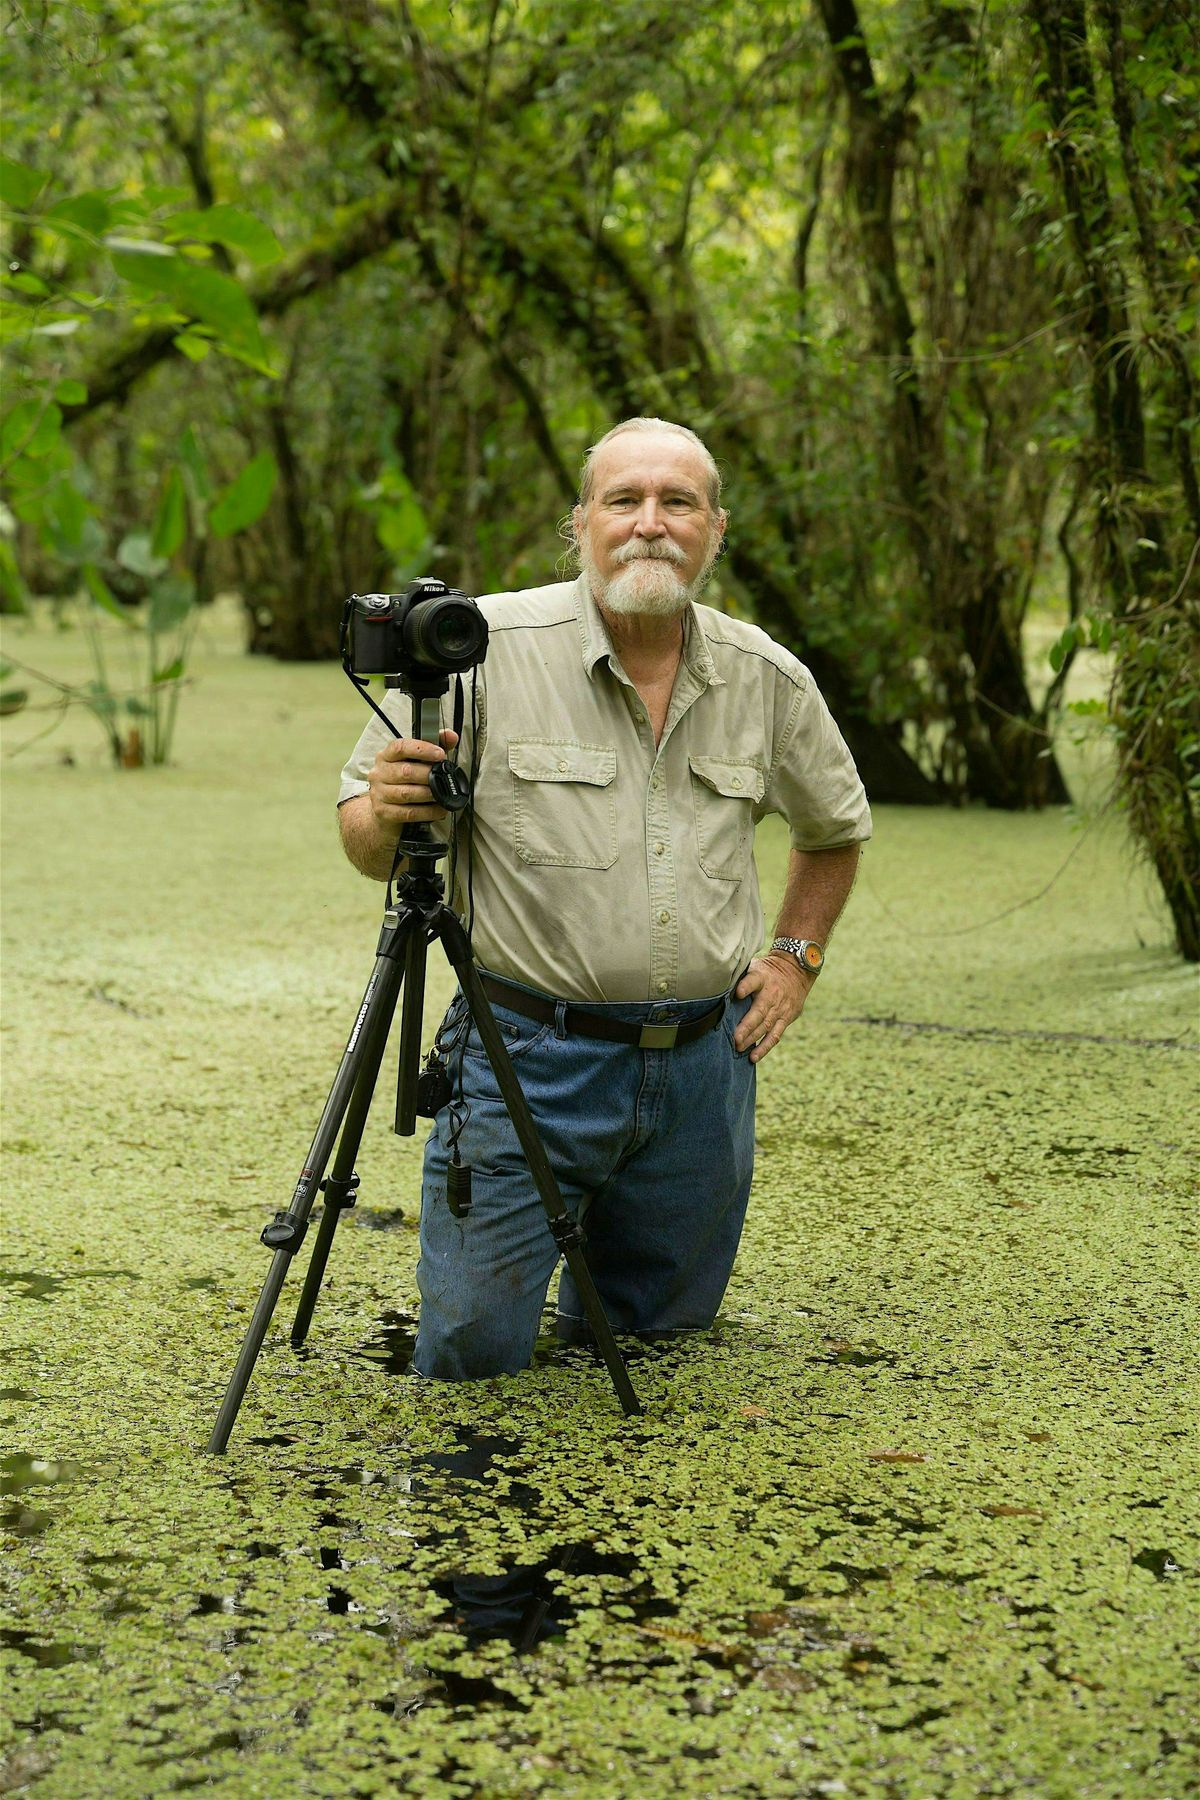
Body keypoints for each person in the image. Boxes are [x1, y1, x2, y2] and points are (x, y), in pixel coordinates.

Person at [337, 417, 870, 1381]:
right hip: (524, 1063)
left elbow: (834, 832)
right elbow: (368, 846)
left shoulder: (767, 678)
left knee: (659, 1359)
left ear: (716, 528)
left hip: (705, 1079)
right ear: (581, 523)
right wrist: (385, 808)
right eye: (623, 500)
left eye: (678, 503)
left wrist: (796, 959)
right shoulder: (480, 650)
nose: (649, 524)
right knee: (472, 1362)